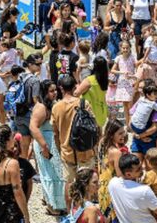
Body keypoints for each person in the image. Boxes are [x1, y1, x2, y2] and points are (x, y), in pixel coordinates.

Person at [52, 75, 98, 206]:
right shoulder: (83, 103)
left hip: (67, 150)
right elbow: (94, 127)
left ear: (61, 88)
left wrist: (59, 148)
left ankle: (70, 212)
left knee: (69, 183)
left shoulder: (56, 107)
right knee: (87, 182)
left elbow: (55, 133)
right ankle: (86, 210)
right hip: (85, 150)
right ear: (75, 87)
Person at [29, 79, 66, 215]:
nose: (55, 93)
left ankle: (52, 200)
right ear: (44, 92)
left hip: (50, 143)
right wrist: (44, 146)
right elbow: (33, 127)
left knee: (54, 173)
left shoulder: (50, 104)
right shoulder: (41, 107)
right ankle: (53, 206)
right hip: (45, 143)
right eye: (51, 91)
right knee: (50, 174)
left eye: (55, 90)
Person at [0, 122, 30, 223]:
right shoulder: (12, 164)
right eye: (11, 137)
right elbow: (18, 193)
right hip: (10, 213)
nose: (13, 140)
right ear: (6, 141)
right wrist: (26, 215)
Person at [108, 154, 157, 223]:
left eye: (141, 166)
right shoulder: (144, 190)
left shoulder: (112, 183)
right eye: (138, 169)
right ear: (128, 174)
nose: (142, 170)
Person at [74, 56, 109, 128]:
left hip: (90, 112)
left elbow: (76, 93)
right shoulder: (105, 80)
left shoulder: (90, 80)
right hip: (102, 111)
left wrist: (77, 84)